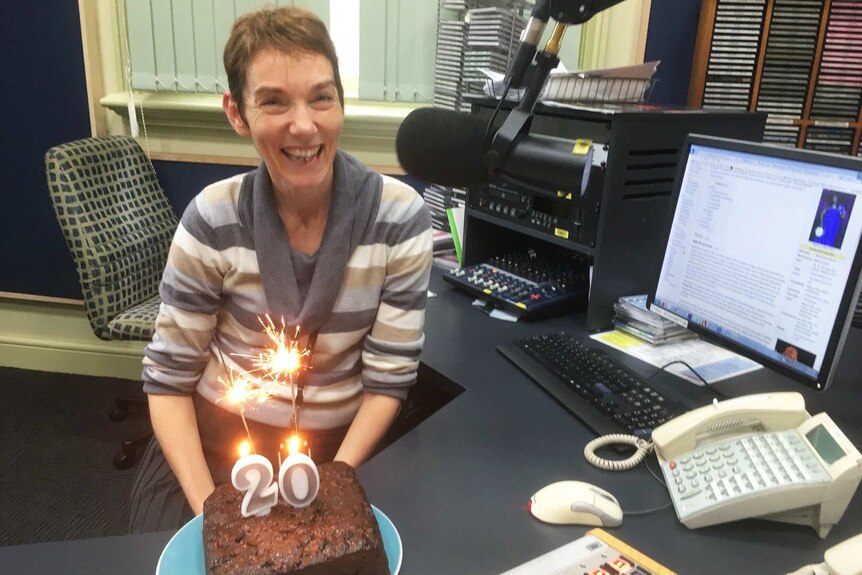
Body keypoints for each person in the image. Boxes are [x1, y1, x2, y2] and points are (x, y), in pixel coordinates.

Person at [128, 6, 432, 532]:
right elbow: (168, 382)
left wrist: (332, 485)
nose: (304, 124)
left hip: (340, 450)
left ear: (340, 101)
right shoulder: (212, 218)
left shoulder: (399, 219)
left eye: (322, 97)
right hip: (219, 445)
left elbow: (389, 381)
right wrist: (211, 512)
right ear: (237, 113)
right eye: (274, 101)